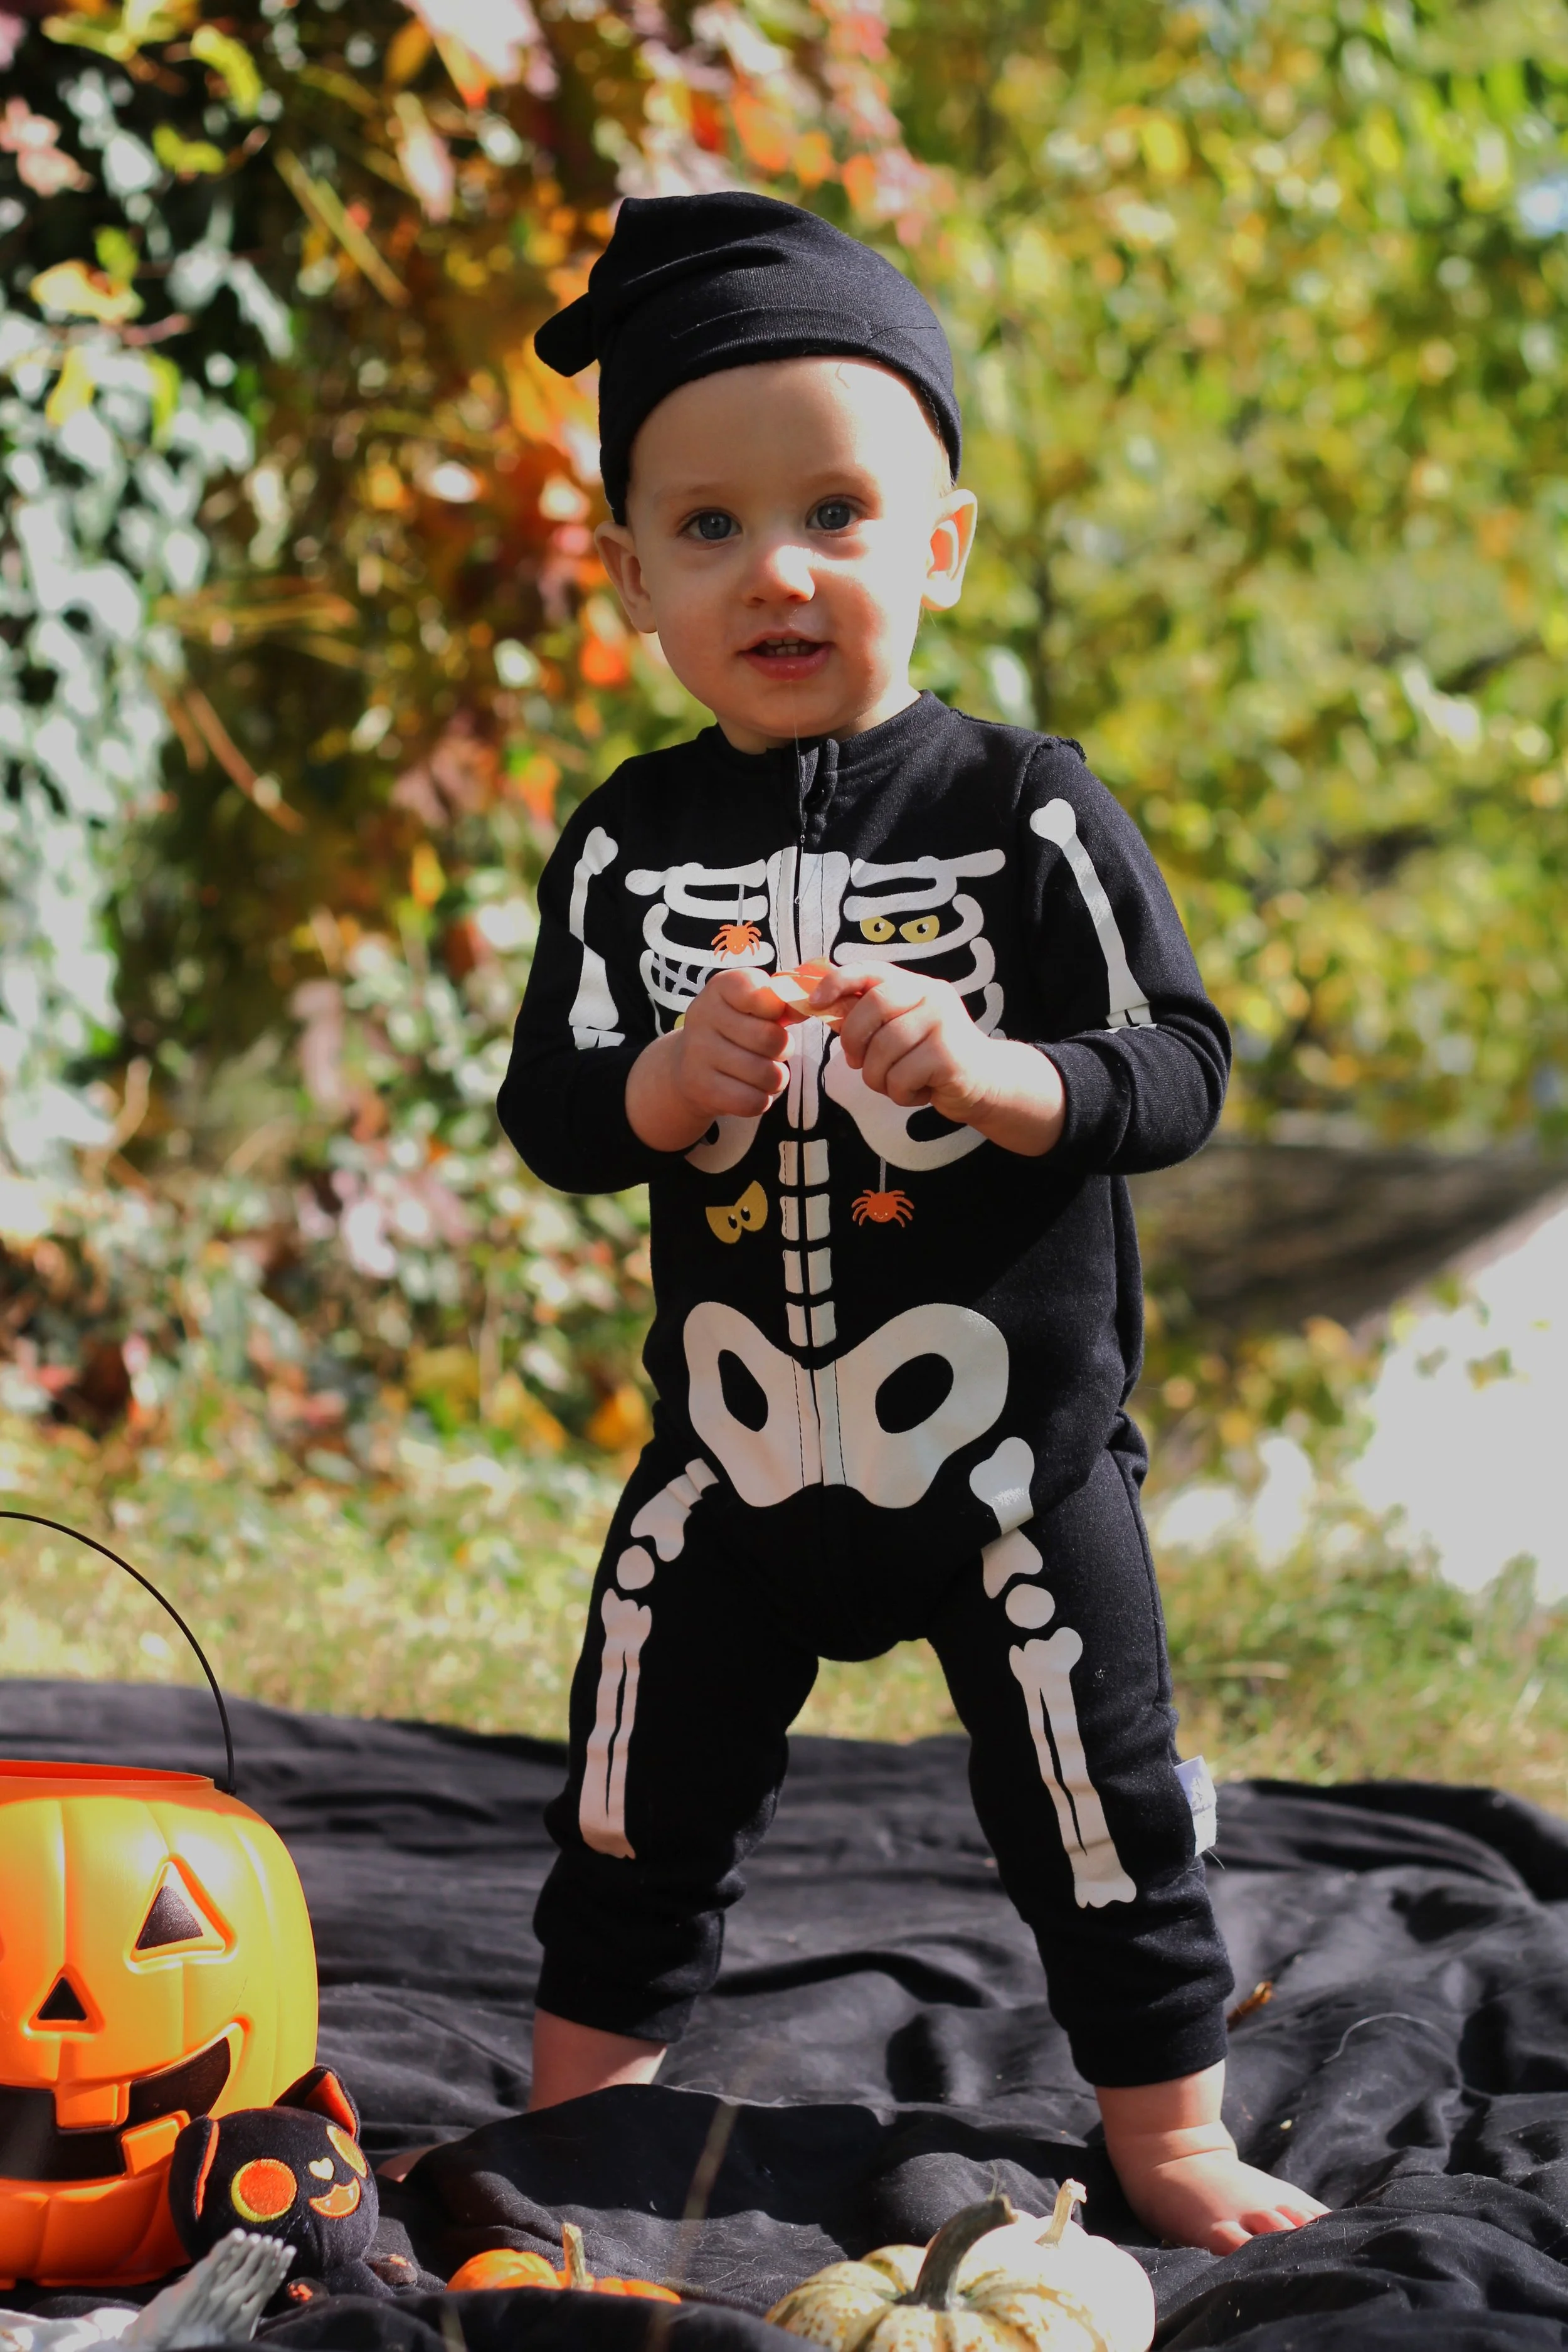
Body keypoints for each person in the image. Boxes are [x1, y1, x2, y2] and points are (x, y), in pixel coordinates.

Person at [497, 190, 1326, 2256]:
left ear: (935, 549)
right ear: (635, 581)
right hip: (733, 1449)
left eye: (837, 514)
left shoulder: (1024, 804)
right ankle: (580, 2125)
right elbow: (553, 1107)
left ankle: (1164, 2134)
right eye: (705, 528)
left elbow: (1183, 1065)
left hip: (1003, 1457)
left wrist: (994, 1073)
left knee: (1097, 1800)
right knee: (629, 1793)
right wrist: (664, 1088)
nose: (774, 568)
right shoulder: (624, 839)